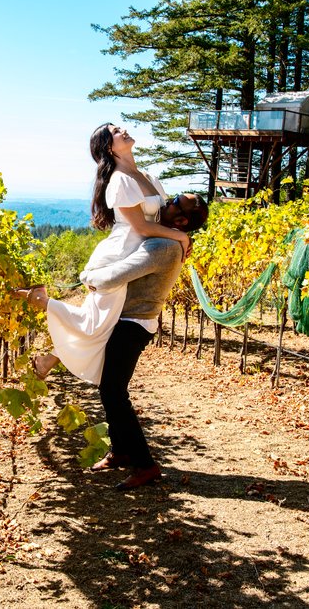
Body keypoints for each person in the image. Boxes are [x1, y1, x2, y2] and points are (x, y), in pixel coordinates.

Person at [19, 124, 194, 385]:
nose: (122, 130)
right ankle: (44, 303)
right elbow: (142, 226)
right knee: (96, 322)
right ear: (109, 148)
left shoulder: (147, 176)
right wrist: (181, 237)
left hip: (141, 254)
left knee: (105, 324)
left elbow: (163, 218)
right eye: (115, 131)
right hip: (121, 253)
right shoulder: (120, 180)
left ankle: (48, 360)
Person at [81, 193, 209, 490]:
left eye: (175, 201)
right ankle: (121, 451)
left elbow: (116, 275)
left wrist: (88, 276)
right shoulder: (168, 239)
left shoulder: (163, 246)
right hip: (130, 321)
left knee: (114, 392)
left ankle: (145, 464)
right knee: (109, 388)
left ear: (181, 220)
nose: (166, 202)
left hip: (132, 324)